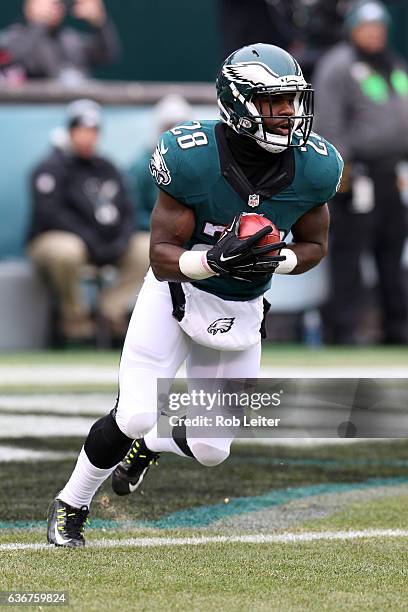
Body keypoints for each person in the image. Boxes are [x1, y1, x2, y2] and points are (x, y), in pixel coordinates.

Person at [46, 43, 343, 547]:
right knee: (137, 411)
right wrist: (210, 260)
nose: (289, 114)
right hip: (176, 292)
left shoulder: (315, 167)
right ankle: (71, 504)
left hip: (243, 305)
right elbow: (160, 254)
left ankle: (151, 447)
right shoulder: (192, 156)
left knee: (211, 447)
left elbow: (315, 244)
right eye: (275, 102)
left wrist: (279, 258)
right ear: (239, 103)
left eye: (293, 101)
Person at [313, 0, 408, 344]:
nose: (374, 34)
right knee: (349, 254)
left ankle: (397, 328)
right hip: (357, 176)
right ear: (352, 28)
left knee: (391, 252)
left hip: (390, 175)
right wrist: (341, 173)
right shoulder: (339, 65)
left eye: (380, 28)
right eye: (367, 28)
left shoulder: (391, 65)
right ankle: (343, 328)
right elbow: (330, 123)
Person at [27, 99, 138, 343]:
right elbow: (50, 214)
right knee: (67, 249)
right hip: (58, 243)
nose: (87, 137)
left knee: (146, 246)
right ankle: (75, 320)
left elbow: (128, 210)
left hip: (103, 242)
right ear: (70, 132)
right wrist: (88, 238)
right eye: (81, 130)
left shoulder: (107, 167)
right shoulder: (51, 167)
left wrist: (120, 240)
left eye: (93, 131)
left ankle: (110, 310)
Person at [127, 94, 193, 295]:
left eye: (181, 126)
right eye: (170, 125)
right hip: (153, 234)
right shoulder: (141, 166)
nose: (175, 132)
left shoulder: (199, 166)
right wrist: (167, 229)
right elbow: (131, 209)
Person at [0, 0, 120, 83]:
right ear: (28, 6)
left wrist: (100, 23)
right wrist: (39, 23)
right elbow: (11, 57)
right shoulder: (14, 36)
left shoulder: (69, 39)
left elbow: (106, 55)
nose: (53, 5)